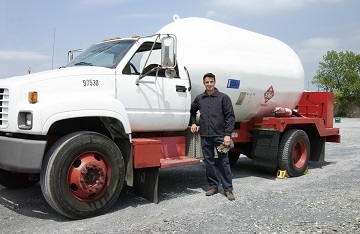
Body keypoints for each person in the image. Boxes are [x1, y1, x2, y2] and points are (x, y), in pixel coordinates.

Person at [190, 72, 235, 201]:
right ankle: (213, 187)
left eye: (211, 82)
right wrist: (193, 122)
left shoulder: (223, 98)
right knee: (209, 163)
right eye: (206, 82)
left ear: (214, 82)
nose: (209, 84)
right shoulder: (200, 98)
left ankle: (228, 189)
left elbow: (230, 117)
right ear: (204, 83)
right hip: (205, 136)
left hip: (220, 137)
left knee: (224, 162)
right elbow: (192, 110)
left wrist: (227, 135)